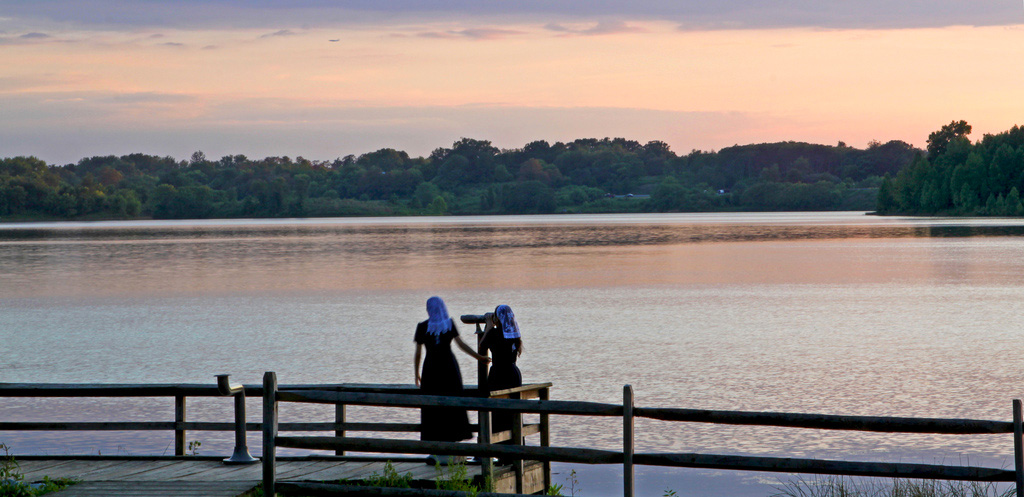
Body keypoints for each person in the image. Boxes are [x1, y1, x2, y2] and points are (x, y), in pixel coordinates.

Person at [413, 296, 490, 463]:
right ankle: (452, 448)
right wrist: (478, 357)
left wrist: (416, 373)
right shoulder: (449, 324)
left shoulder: (422, 327)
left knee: (432, 407)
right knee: (452, 405)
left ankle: (437, 450)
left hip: (431, 370)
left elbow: (418, 352)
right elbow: (460, 345)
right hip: (449, 369)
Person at [481, 304, 524, 436]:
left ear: (497, 318)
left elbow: (482, 347)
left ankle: (498, 445)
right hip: (513, 373)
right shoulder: (514, 334)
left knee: (498, 411)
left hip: (498, 374)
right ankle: (515, 445)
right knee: (513, 411)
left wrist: (488, 326)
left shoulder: (494, 333)